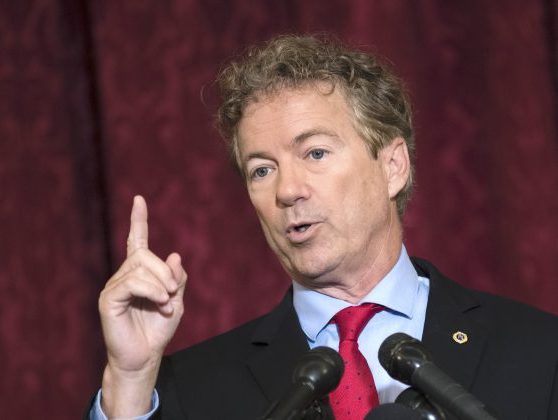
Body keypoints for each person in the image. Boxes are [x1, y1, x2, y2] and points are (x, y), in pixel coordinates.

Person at [91, 34, 558, 419]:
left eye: (314, 153)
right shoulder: (187, 388)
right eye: (261, 169)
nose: (287, 191)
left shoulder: (539, 350)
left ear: (393, 166)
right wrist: (129, 379)